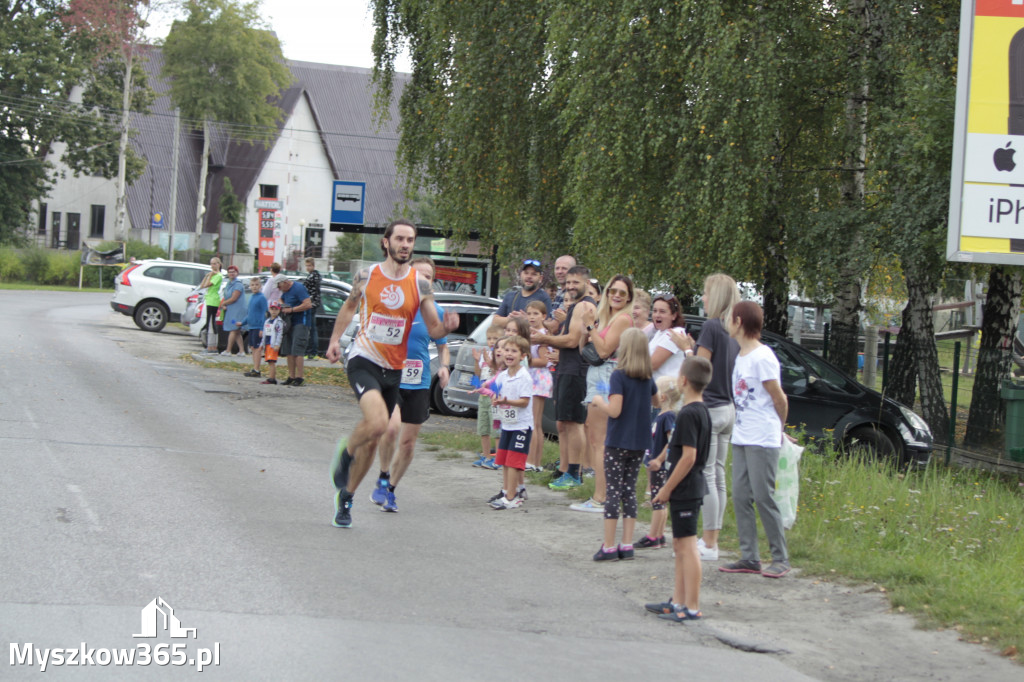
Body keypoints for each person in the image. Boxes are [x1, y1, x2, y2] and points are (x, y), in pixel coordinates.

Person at [326, 219, 459, 529]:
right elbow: (349, 306)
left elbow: (434, 327)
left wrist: (447, 328)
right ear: (386, 242)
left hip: (394, 368)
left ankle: (346, 497)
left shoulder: (420, 284)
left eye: (410, 240)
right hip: (365, 359)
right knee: (378, 424)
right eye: (399, 238)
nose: (405, 244)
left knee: (373, 441)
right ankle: (345, 454)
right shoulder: (367, 275)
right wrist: (335, 340)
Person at [369, 257, 451, 513]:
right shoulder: (394, 303)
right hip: (391, 378)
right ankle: (383, 474)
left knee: (408, 444)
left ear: (432, 282)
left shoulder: (435, 312)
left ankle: (390, 489)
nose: (423, 280)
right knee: (391, 430)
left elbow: (443, 345)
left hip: (419, 383)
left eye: (428, 276)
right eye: (419, 275)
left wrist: (444, 366)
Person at [720, 301, 791, 578]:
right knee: (740, 496)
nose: (727, 324)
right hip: (742, 434)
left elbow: (779, 398)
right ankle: (749, 556)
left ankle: (780, 557)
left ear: (738, 322)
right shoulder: (741, 356)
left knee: (764, 496)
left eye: (729, 319)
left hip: (763, 437)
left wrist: (778, 428)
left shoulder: (763, 357)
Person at [646, 355, 714, 622]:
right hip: (687, 487)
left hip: (686, 487)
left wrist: (666, 489)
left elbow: (688, 457)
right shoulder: (699, 410)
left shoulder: (688, 414)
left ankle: (692, 606)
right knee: (678, 544)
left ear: (683, 381)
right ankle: (677, 600)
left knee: (687, 547)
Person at [588, 328, 656, 561]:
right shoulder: (648, 377)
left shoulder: (619, 375)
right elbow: (657, 400)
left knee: (613, 490)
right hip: (639, 441)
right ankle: (627, 544)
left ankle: (608, 545)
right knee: (629, 490)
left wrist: (599, 401)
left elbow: (615, 411)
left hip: (618, 441)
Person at [572, 275, 635, 513]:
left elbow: (605, 350)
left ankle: (602, 497)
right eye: (613, 291)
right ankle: (604, 495)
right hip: (597, 374)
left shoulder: (623, 319)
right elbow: (585, 349)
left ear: (629, 296)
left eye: (622, 292)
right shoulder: (606, 317)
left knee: (600, 441)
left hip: (607, 377)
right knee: (596, 437)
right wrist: (586, 328)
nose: (616, 296)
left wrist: (591, 328)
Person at [530, 265, 596, 490]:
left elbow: (571, 340)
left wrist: (543, 339)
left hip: (576, 369)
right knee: (564, 422)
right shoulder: (576, 306)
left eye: (575, 283)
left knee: (575, 422)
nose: (570, 287)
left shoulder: (585, 306)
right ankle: (565, 468)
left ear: (586, 283)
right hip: (566, 368)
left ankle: (575, 473)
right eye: (568, 283)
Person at [691, 273, 741, 561]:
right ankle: (714, 538)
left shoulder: (711, 327)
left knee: (706, 474)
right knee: (718, 474)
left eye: (706, 293)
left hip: (709, 407)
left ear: (717, 297)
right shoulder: (733, 330)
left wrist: (687, 348)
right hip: (728, 408)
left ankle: (709, 543)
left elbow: (700, 368)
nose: (703, 298)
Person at [487, 335, 534, 509]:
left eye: (514, 351)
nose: (509, 354)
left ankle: (513, 497)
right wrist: (495, 399)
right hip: (508, 423)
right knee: (505, 460)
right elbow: (496, 392)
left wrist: (506, 401)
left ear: (523, 356)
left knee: (514, 461)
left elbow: (524, 401)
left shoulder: (524, 377)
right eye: (507, 350)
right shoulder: (503, 375)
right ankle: (506, 491)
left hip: (521, 426)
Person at [636, 375, 681, 549]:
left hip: (660, 466)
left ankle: (653, 535)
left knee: (657, 500)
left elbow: (672, 441)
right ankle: (660, 535)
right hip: (656, 464)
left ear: (662, 397)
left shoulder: (667, 417)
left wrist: (659, 459)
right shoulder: (662, 415)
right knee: (660, 500)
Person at [471, 324, 504, 470]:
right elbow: (477, 374)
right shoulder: (485, 354)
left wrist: (490, 362)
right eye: (489, 338)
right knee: (483, 428)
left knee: (495, 428)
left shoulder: (500, 356)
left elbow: (498, 373)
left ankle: (498, 458)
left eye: (495, 339)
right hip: (483, 397)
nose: (491, 341)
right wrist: (476, 360)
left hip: (494, 396)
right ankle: (486, 456)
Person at [525, 300, 552, 472]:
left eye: (536, 314)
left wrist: (525, 360)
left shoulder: (542, 335)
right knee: (534, 422)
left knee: (534, 421)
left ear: (543, 316)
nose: (532, 317)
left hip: (539, 378)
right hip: (532, 377)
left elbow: (544, 360)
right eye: (529, 314)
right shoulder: (531, 333)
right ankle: (534, 461)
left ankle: (533, 461)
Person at [493, 259, 552, 327]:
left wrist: (526, 320)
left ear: (540, 278)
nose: (529, 277)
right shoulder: (510, 296)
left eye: (534, 274)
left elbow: (548, 325)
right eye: (526, 273)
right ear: (521, 275)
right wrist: (511, 319)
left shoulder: (544, 298)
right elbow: (495, 321)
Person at [276, 277, 313, 386]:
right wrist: (282, 304)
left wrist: (292, 309)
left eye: (280, 286)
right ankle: (291, 376)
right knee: (289, 351)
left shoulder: (298, 288)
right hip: (289, 323)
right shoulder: (285, 292)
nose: (279, 289)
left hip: (301, 322)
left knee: (297, 350)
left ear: (286, 282)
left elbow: (308, 304)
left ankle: (299, 377)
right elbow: (281, 299)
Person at [649, 294, 691, 382]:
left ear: (674, 316)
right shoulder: (660, 332)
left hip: (668, 392)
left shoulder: (674, 334)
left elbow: (652, 365)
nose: (657, 315)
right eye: (655, 311)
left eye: (662, 311)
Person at [544, 254, 577, 333]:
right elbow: (549, 318)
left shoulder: (572, 294)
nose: (559, 272)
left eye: (564, 268)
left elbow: (554, 327)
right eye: (557, 268)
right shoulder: (558, 292)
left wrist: (528, 319)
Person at [219, 265, 246, 356]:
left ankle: (228, 350)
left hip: (237, 311)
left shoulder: (238, 284)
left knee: (233, 329)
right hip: (231, 310)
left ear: (237, 273)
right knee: (237, 331)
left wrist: (224, 303)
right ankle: (242, 351)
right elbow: (227, 296)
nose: (231, 273)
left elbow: (234, 298)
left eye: (233, 272)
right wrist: (224, 304)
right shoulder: (229, 284)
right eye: (230, 272)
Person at [243, 278, 268, 377]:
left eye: (256, 284)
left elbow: (264, 313)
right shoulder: (252, 297)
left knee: (258, 348)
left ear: (260, 286)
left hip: (258, 326)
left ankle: (257, 369)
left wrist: (262, 328)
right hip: (251, 326)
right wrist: (243, 322)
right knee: (253, 347)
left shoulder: (261, 298)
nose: (254, 287)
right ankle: (254, 368)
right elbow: (250, 313)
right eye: (252, 285)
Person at [200, 257, 223, 353]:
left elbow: (207, 285)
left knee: (211, 323)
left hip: (213, 300)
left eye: (214, 264)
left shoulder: (218, 276)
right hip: (209, 299)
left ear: (218, 264)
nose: (212, 266)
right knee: (209, 322)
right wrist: (207, 276)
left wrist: (210, 276)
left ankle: (213, 346)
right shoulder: (212, 275)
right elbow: (202, 286)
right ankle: (210, 346)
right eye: (211, 264)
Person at [259, 301, 285, 385]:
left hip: (273, 344)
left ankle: (272, 378)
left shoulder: (278, 322)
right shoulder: (267, 321)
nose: (274, 311)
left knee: (272, 361)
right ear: (269, 310)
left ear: (279, 310)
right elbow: (264, 334)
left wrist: (277, 344)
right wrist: (261, 344)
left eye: (276, 309)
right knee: (269, 361)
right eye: (272, 309)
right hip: (267, 343)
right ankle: (271, 377)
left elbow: (279, 334)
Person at [303, 257, 322, 359]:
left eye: (309, 265)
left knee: (311, 329)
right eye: (306, 265)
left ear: (313, 266)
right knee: (311, 328)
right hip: (312, 303)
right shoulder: (313, 276)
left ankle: (312, 351)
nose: (307, 267)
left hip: (311, 304)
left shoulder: (313, 276)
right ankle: (311, 351)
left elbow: (309, 290)